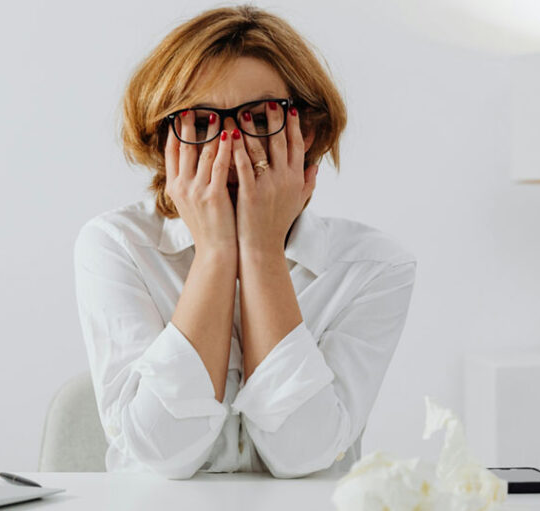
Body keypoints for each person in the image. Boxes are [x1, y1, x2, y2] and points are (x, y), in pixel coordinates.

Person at [74, 5, 416, 479]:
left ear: (308, 131)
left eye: (259, 118)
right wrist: (216, 255)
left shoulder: (373, 266)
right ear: (162, 137)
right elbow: (162, 453)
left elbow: (302, 454)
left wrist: (260, 252)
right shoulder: (117, 245)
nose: (232, 148)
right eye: (200, 122)